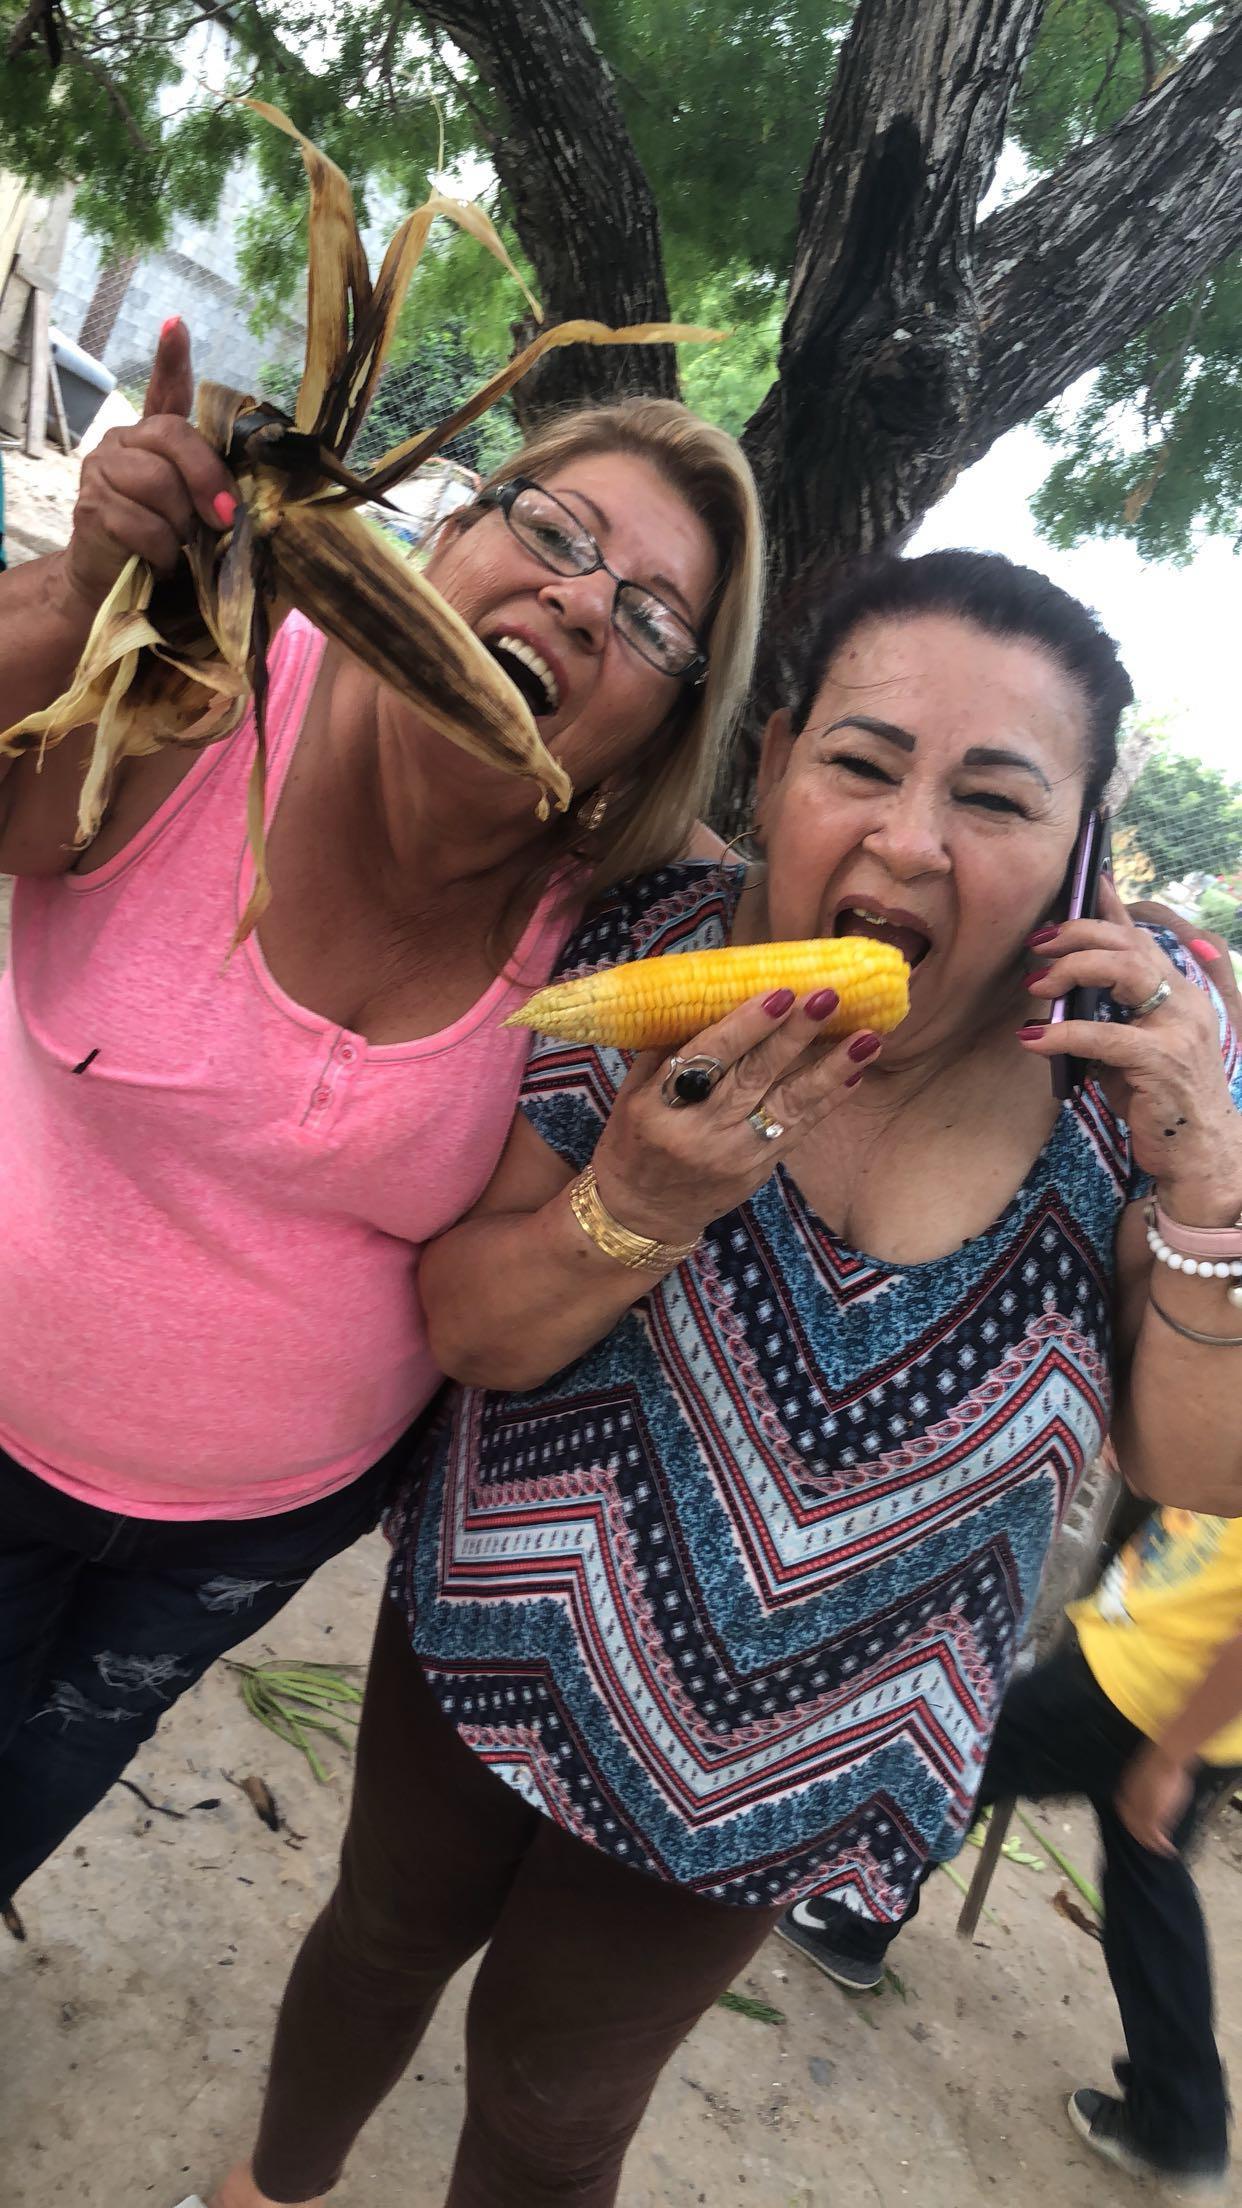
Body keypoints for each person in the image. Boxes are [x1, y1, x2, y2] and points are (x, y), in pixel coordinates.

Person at [204, 549, 1242, 2208]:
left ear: (1081, 840)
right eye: (860, 760)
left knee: (552, 2108)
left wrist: (1202, 1191)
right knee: (382, 1938)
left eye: (992, 796)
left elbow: (1196, 1457)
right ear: (770, 764)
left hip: (790, 1758)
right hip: (496, 1616)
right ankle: (272, 2186)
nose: (908, 841)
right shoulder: (642, 949)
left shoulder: (1129, 1094)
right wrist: (637, 1206)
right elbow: (472, 1326)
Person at [0, 314, 764, 1911]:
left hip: (258, 1524)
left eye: (648, 620)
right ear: (448, 534)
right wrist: (81, 592)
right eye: (550, 531)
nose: (573, 596)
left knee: (43, 1780)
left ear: (652, 729)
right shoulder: (207, 685)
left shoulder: (613, 924)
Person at [785, 1505, 1242, 2191]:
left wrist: (1171, 1757)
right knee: (1147, 1881)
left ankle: (855, 1921)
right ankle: (1181, 2115)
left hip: (1139, 1690)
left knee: (965, 1760)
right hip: (1172, 1693)